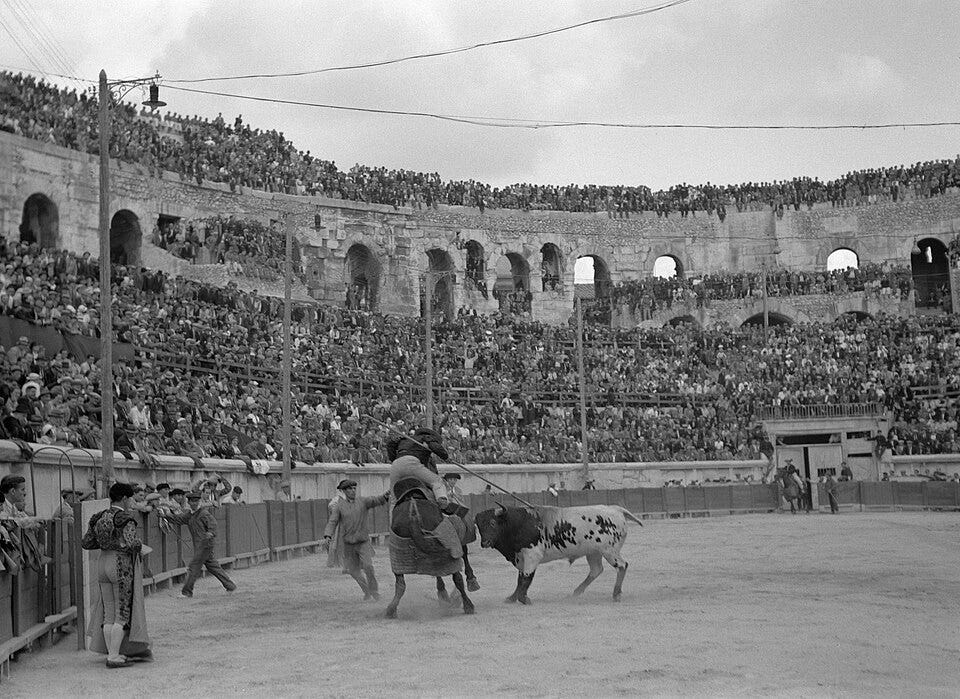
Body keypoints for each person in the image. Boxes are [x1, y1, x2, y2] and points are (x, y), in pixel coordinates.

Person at [84, 482, 151, 668]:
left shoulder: (98, 517)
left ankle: (112, 653)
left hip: (102, 563)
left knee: (109, 613)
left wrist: (107, 542)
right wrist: (140, 546)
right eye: (130, 499)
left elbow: (87, 543)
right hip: (120, 565)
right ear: (124, 498)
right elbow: (132, 543)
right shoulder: (125, 518)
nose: (130, 502)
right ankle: (113, 656)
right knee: (122, 613)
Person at [322, 479, 389, 600]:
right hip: (349, 544)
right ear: (344, 491)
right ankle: (367, 591)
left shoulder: (363, 501)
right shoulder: (339, 506)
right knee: (354, 571)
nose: (353, 491)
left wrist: (385, 496)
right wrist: (327, 535)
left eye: (354, 488)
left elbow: (376, 500)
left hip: (363, 542)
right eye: (349, 489)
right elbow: (333, 521)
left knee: (368, 566)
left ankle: (374, 591)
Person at [162, 491, 236, 597]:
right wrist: (166, 516)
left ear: (199, 502)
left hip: (205, 544)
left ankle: (187, 592)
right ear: (188, 502)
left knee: (194, 567)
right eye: (192, 501)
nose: (194, 503)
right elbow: (179, 519)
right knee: (212, 567)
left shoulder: (203, 513)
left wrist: (210, 533)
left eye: (196, 501)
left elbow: (213, 524)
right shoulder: (190, 514)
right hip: (200, 545)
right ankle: (230, 586)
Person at [442, 472, 479, 591]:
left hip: (457, 513)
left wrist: (455, 497)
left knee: (466, 521)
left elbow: (462, 504)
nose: (453, 481)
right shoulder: (442, 489)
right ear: (446, 480)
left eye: (454, 479)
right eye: (450, 479)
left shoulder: (457, 490)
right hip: (445, 514)